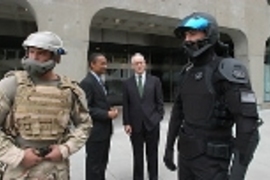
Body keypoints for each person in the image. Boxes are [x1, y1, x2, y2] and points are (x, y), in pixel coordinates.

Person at [163, 12, 261, 180]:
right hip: (186, 158)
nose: (187, 40)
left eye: (192, 34)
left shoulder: (227, 70)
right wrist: (169, 147)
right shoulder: (186, 72)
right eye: (185, 35)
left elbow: (249, 128)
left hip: (213, 163)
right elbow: (178, 113)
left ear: (209, 34)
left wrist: (237, 174)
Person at [0, 31, 92, 180]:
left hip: (55, 170)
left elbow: (85, 125)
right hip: (19, 169)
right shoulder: (11, 85)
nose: (34, 58)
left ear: (56, 57)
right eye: (31, 52)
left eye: (41, 53)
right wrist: (17, 156)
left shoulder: (70, 90)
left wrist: (64, 149)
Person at [123, 53, 164, 180]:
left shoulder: (155, 81)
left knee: (152, 155)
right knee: (137, 155)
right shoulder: (127, 83)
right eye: (136, 63)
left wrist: (157, 118)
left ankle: (153, 177)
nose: (139, 65)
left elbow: (160, 102)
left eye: (141, 63)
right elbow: (126, 105)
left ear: (145, 64)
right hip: (135, 126)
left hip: (152, 124)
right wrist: (127, 123)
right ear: (132, 66)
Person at [80, 53, 119, 180]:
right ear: (92, 64)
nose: (105, 66)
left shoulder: (100, 82)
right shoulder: (87, 83)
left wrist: (110, 108)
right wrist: (106, 114)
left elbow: (100, 102)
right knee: (94, 166)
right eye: (102, 63)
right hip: (95, 132)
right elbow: (85, 109)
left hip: (104, 131)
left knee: (102, 164)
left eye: (105, 63)